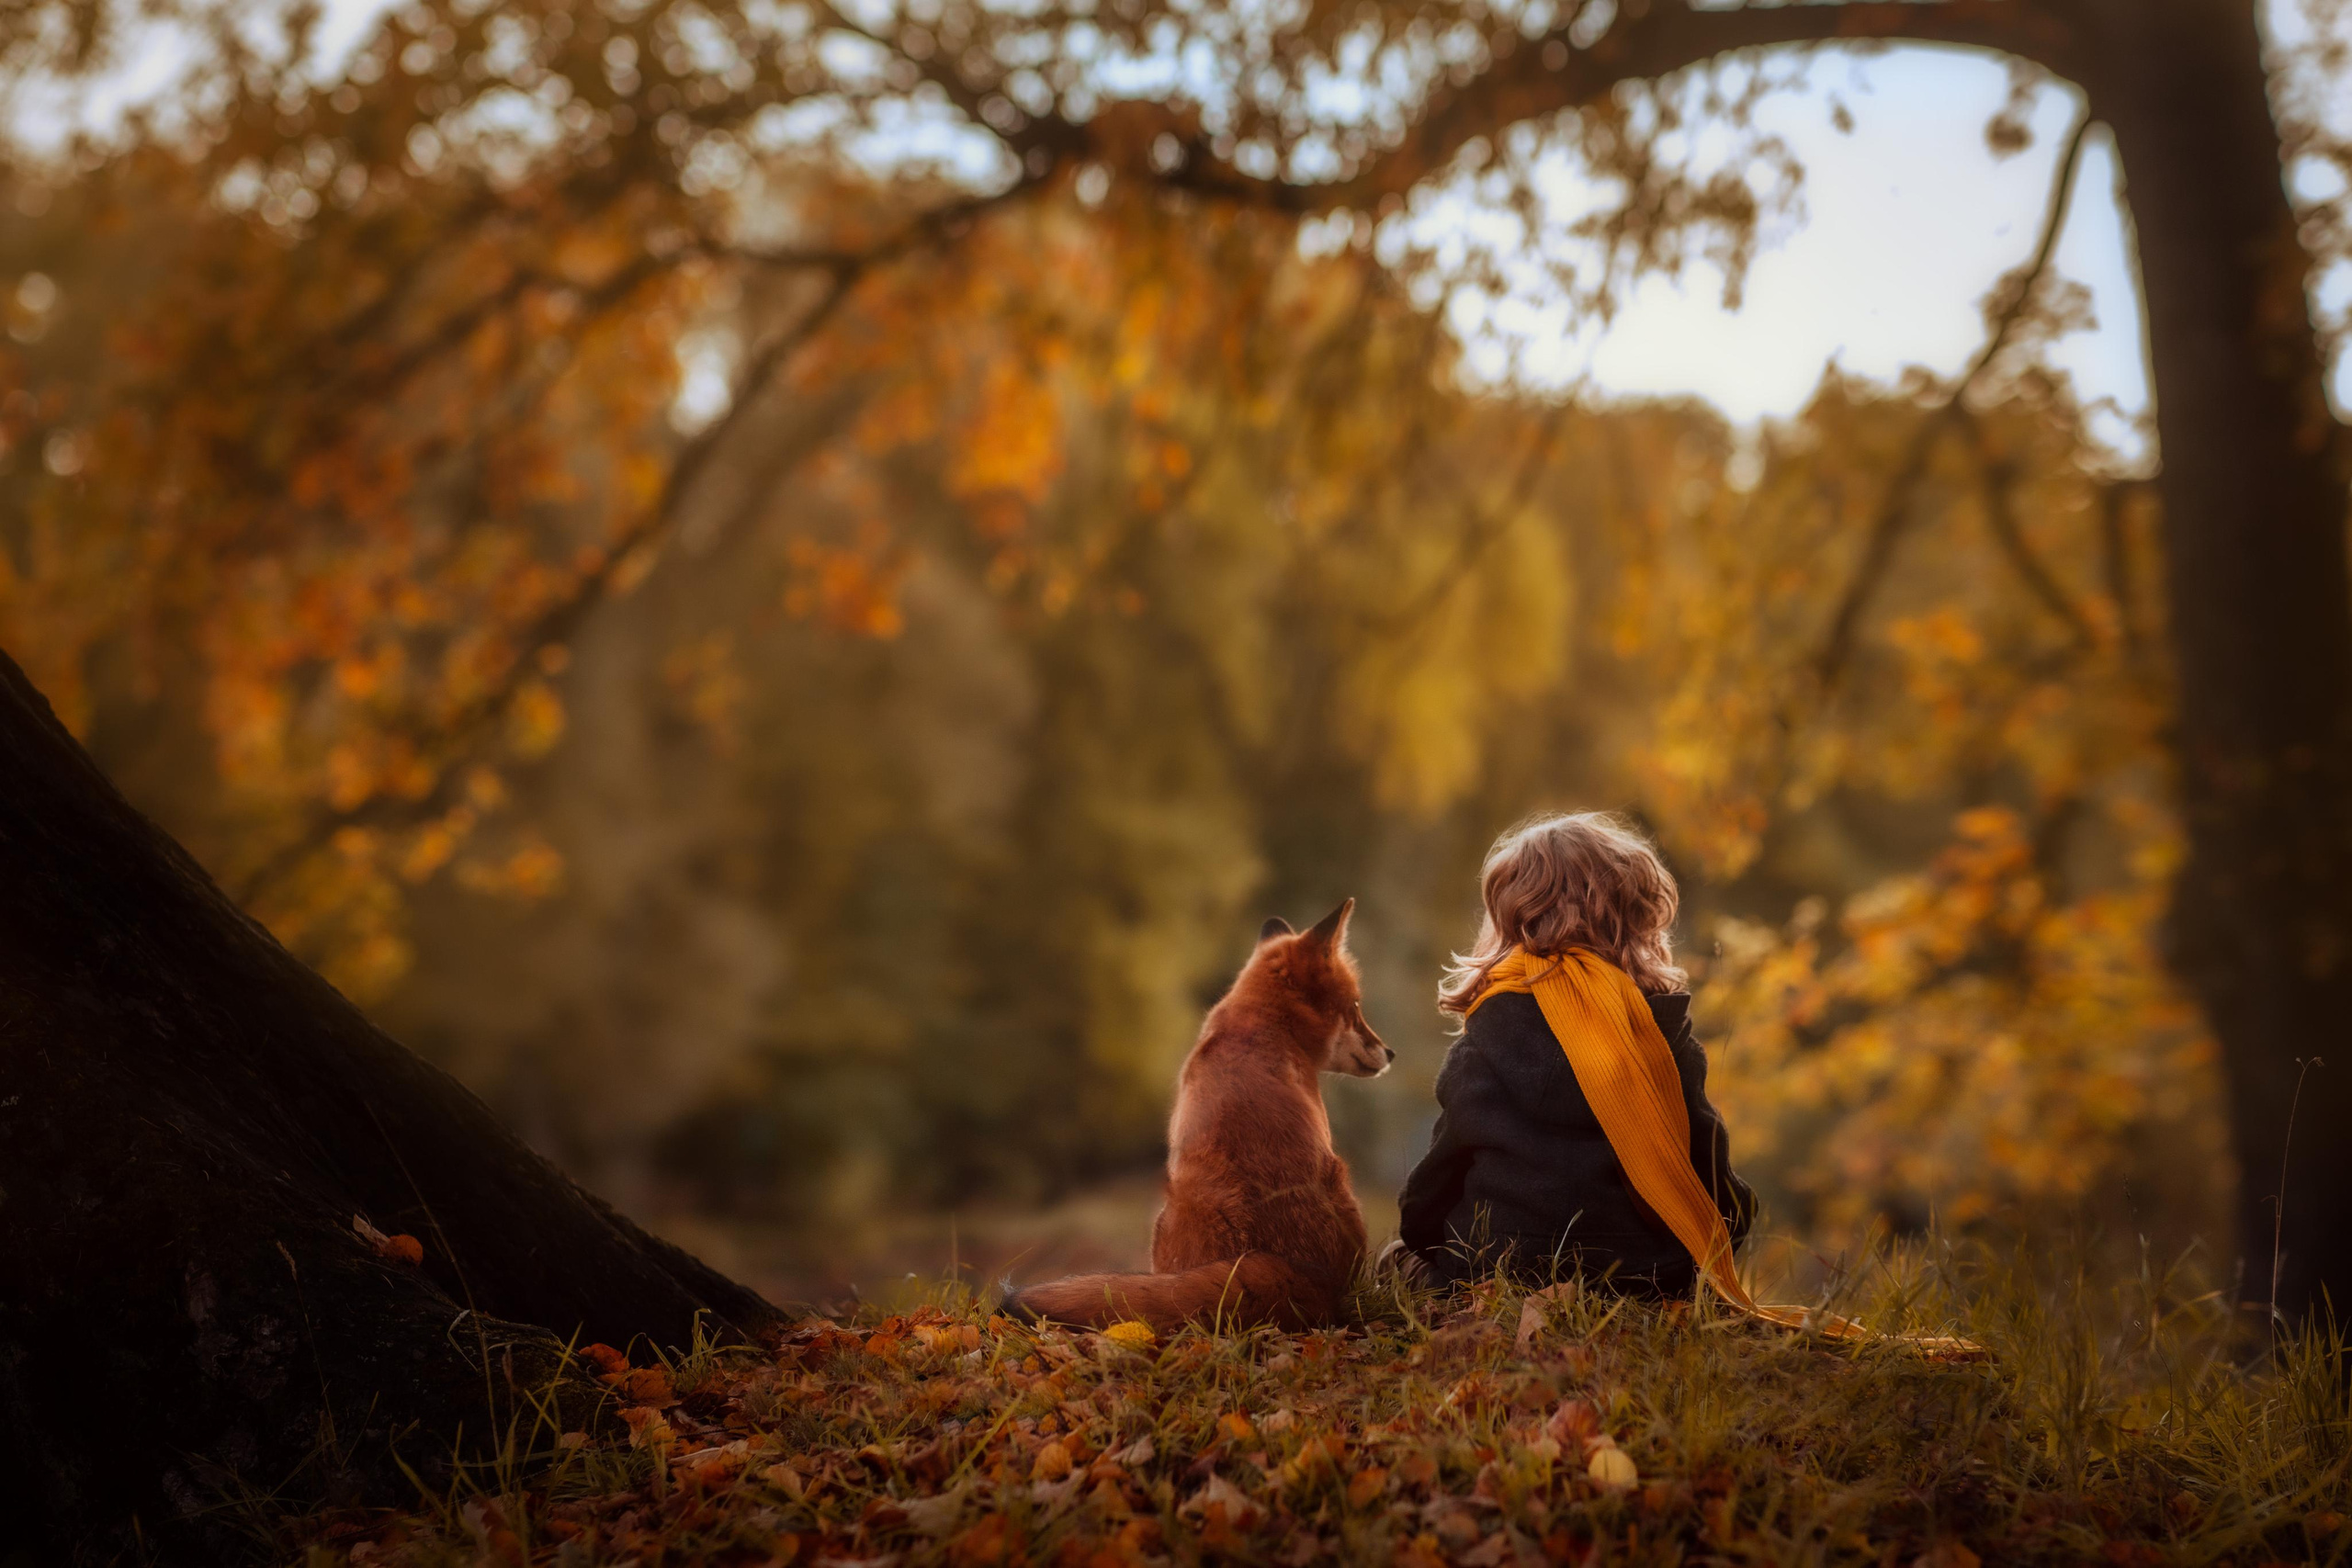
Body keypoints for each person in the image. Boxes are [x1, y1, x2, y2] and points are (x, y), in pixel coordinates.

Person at [1394, 811, 1755, 1294]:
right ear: (1638, 919)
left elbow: (1431, 1193)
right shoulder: (1662, 1039)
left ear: (1510, 921)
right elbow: (1715, 1185)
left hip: (1497, 1278)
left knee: (1393, 1261)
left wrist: (1431, 1247)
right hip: (1644, 1283)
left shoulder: (1486, 1037)